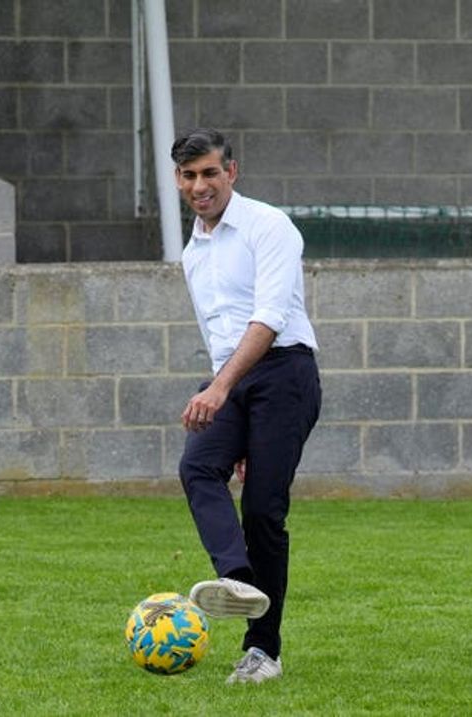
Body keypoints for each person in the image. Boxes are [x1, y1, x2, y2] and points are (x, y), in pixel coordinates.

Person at [171, 128, 321, 684]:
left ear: (231, 172)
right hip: (232, 378)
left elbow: (269, 319)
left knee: (262, 510)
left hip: (284, 373)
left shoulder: (268, 226)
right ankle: (235, 580)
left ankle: (264, 652)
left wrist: (218, 389)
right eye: (188, 176)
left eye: (209, 173)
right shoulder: (194, 251)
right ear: (178, 180)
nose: (199, 185)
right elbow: (219, 334)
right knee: (197, 466)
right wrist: (227, 407)